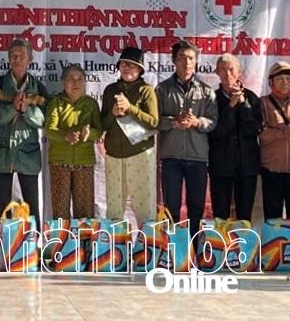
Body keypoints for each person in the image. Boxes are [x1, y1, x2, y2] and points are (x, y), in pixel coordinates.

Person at [156, 40, 217, 237]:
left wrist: (196, 122)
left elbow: (213, 122)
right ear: (174, 61)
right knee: (171, 207)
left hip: (197, 157)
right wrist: (174, 122)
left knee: (196, 207)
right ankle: (173, 247)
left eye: (191, 58)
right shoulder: (162, 89)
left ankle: (194, 247)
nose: (187, 62)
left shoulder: (206, 91)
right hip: (171, 156)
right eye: (182, 58)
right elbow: (154, 121)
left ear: (196, 61)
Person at [0, 39, 48, 221]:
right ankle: (1, 239)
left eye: (22, 56)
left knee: (31, 206)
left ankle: (33, 238)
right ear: (8, 59)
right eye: (13, 56)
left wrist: (26, 111)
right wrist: (12, 108)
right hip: (1, 153)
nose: (17, 59)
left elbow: (43, 121)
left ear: (30, 59)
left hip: (27, 153)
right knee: (1, 208)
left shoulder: (38, 87)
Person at [100, 46, 159, 225]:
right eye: (124, 64)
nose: (127, 68)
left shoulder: (146, 90)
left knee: (144, 207)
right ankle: (115, 241)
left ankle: (148, 241)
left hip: (140, 154)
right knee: (114, 208)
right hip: (114, 156)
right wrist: (113, 113)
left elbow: (154, 122)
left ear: (140, 69)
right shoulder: (110, 90)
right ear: (118, 66)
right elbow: (102, 125)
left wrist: (130, 108)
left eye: (132, 65)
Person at [43, 64, 101, 220]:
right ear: (63, 82)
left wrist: (89, 133)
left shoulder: (91, 104)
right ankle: (62, 237)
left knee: (85, 211)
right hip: (60, 162)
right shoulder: (56, 102)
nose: (76, 83)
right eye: (71, 79)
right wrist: (65, 136)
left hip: (84, 162)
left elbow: (99, 130)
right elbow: (49, 130)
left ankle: (85, 237)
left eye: (80, 79)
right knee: (60, 211)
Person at [209, 53, 262, 221]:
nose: (227, 74)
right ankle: (220, 239)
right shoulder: (211, 98)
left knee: (244, 216)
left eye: (231, 69)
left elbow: (254, 129)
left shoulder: (251, 98)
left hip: (247, 166)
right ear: (217, 72)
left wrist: (242, 104)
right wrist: (231, 105)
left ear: (239, 72)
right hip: (221, 166)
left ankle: (244, 239)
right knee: (220, 215)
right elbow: (216, 131)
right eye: (222, 70)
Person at [259, 61, 290, 220]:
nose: (285, 82)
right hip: (271, 170)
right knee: (272, 218)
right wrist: (281, 133)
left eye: (288, 78)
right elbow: (260, 134)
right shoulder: (263, 103)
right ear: (271, 82)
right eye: (280, 79)